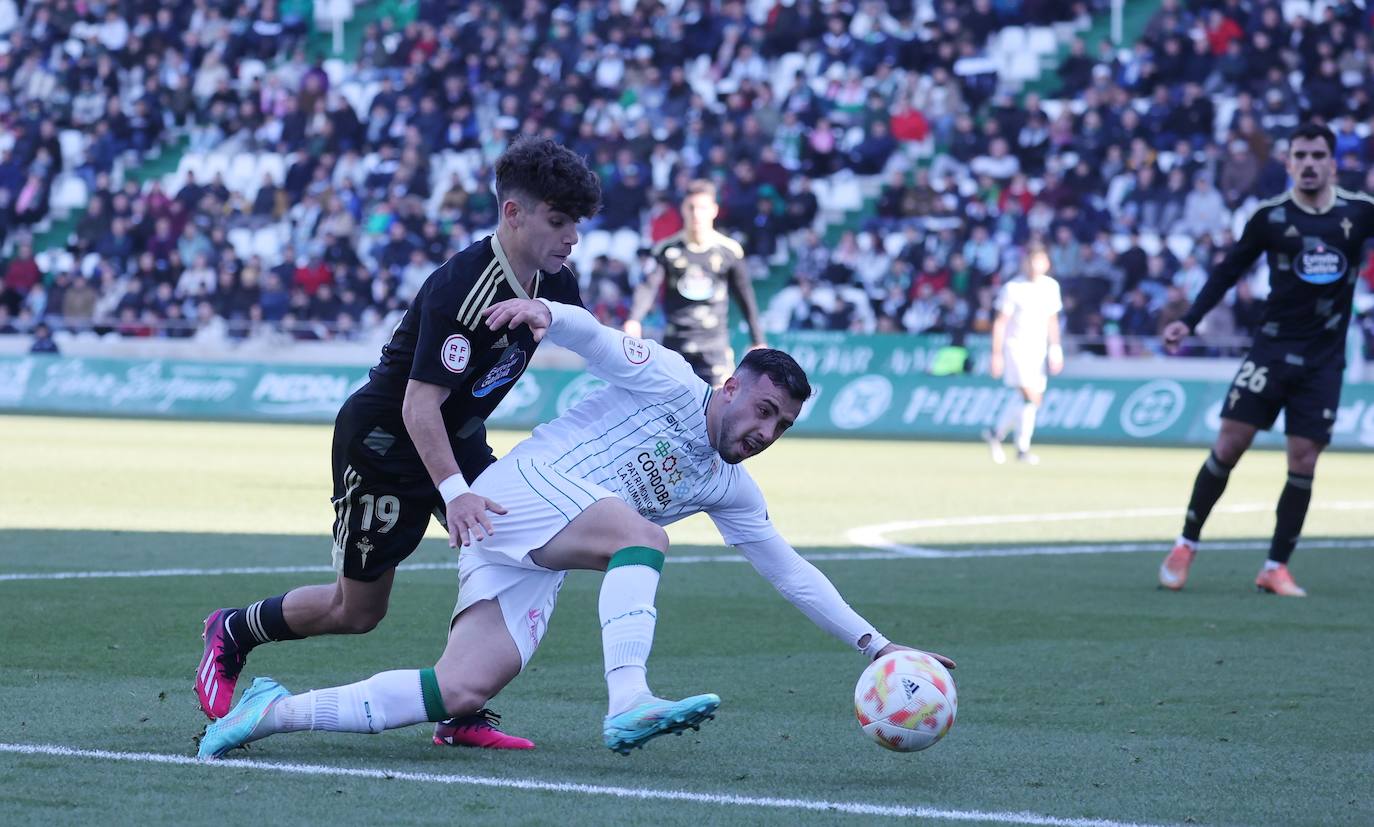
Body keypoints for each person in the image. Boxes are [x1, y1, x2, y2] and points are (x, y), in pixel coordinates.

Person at [198, 296, 955, 760]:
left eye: (781, 426)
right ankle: (628, 697)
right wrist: (547, 315)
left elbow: (791, 570)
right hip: (522, 489)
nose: (765, 430)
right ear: (730, 387)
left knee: (460, 687)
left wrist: (879, 645)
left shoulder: (731, 488)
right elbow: (595, 338)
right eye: (761, 409)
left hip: (536, 545)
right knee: (645, 538)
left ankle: (273, 711)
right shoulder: (668, 379)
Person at [194, 136, 602, 749]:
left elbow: (596, 345)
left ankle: (462, 705)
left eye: (577, 224)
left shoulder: (554, 283)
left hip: (455, 439)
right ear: (513, 213)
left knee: (516, 548)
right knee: (357, 612)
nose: (572, 237)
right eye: (559, 221)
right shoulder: (463, 288)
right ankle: (234, 629)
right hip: (386, 444)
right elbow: (418, 405)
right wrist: (457, 493)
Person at [1158, 122, 1374, 597]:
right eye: (1301, 155)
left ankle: (1275, 566)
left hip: (1324, 360)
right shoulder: (1269, 217)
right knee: (1230, 445)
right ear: (1289, 162)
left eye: (1319, 155)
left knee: (1303, 459)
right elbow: (1229, 270)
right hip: (1271, 351)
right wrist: (1189, 320)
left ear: (1333, 162)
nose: (1310, 163)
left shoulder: (1360, 214)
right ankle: (1185, 544)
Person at [623, 179, 767, 386]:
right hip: (675, 346)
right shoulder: (666, 249)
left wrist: (757, 339)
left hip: (714, 348)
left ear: (714, 210)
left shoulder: (729, 251)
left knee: (718, 412)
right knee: (669, 412)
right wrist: (634, 319)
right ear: (683, 209)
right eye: (691, 207)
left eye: (702, 208)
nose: (696, 214)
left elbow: (745, 297)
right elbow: (648, 287)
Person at [981, 242, 1064, 465]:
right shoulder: (1013, 288)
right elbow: (1000, 323)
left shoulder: (1050, 287)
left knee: (1030, 400)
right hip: (1016, 347)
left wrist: (1056, 348)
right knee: (1030, 395)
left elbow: (1052, 320)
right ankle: (1020, 447)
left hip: (1039, 349)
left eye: (1039, 260)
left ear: (1046, 263)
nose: (1034, 265)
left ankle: (998, 435)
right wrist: (996, 354)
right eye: (1030, 260)